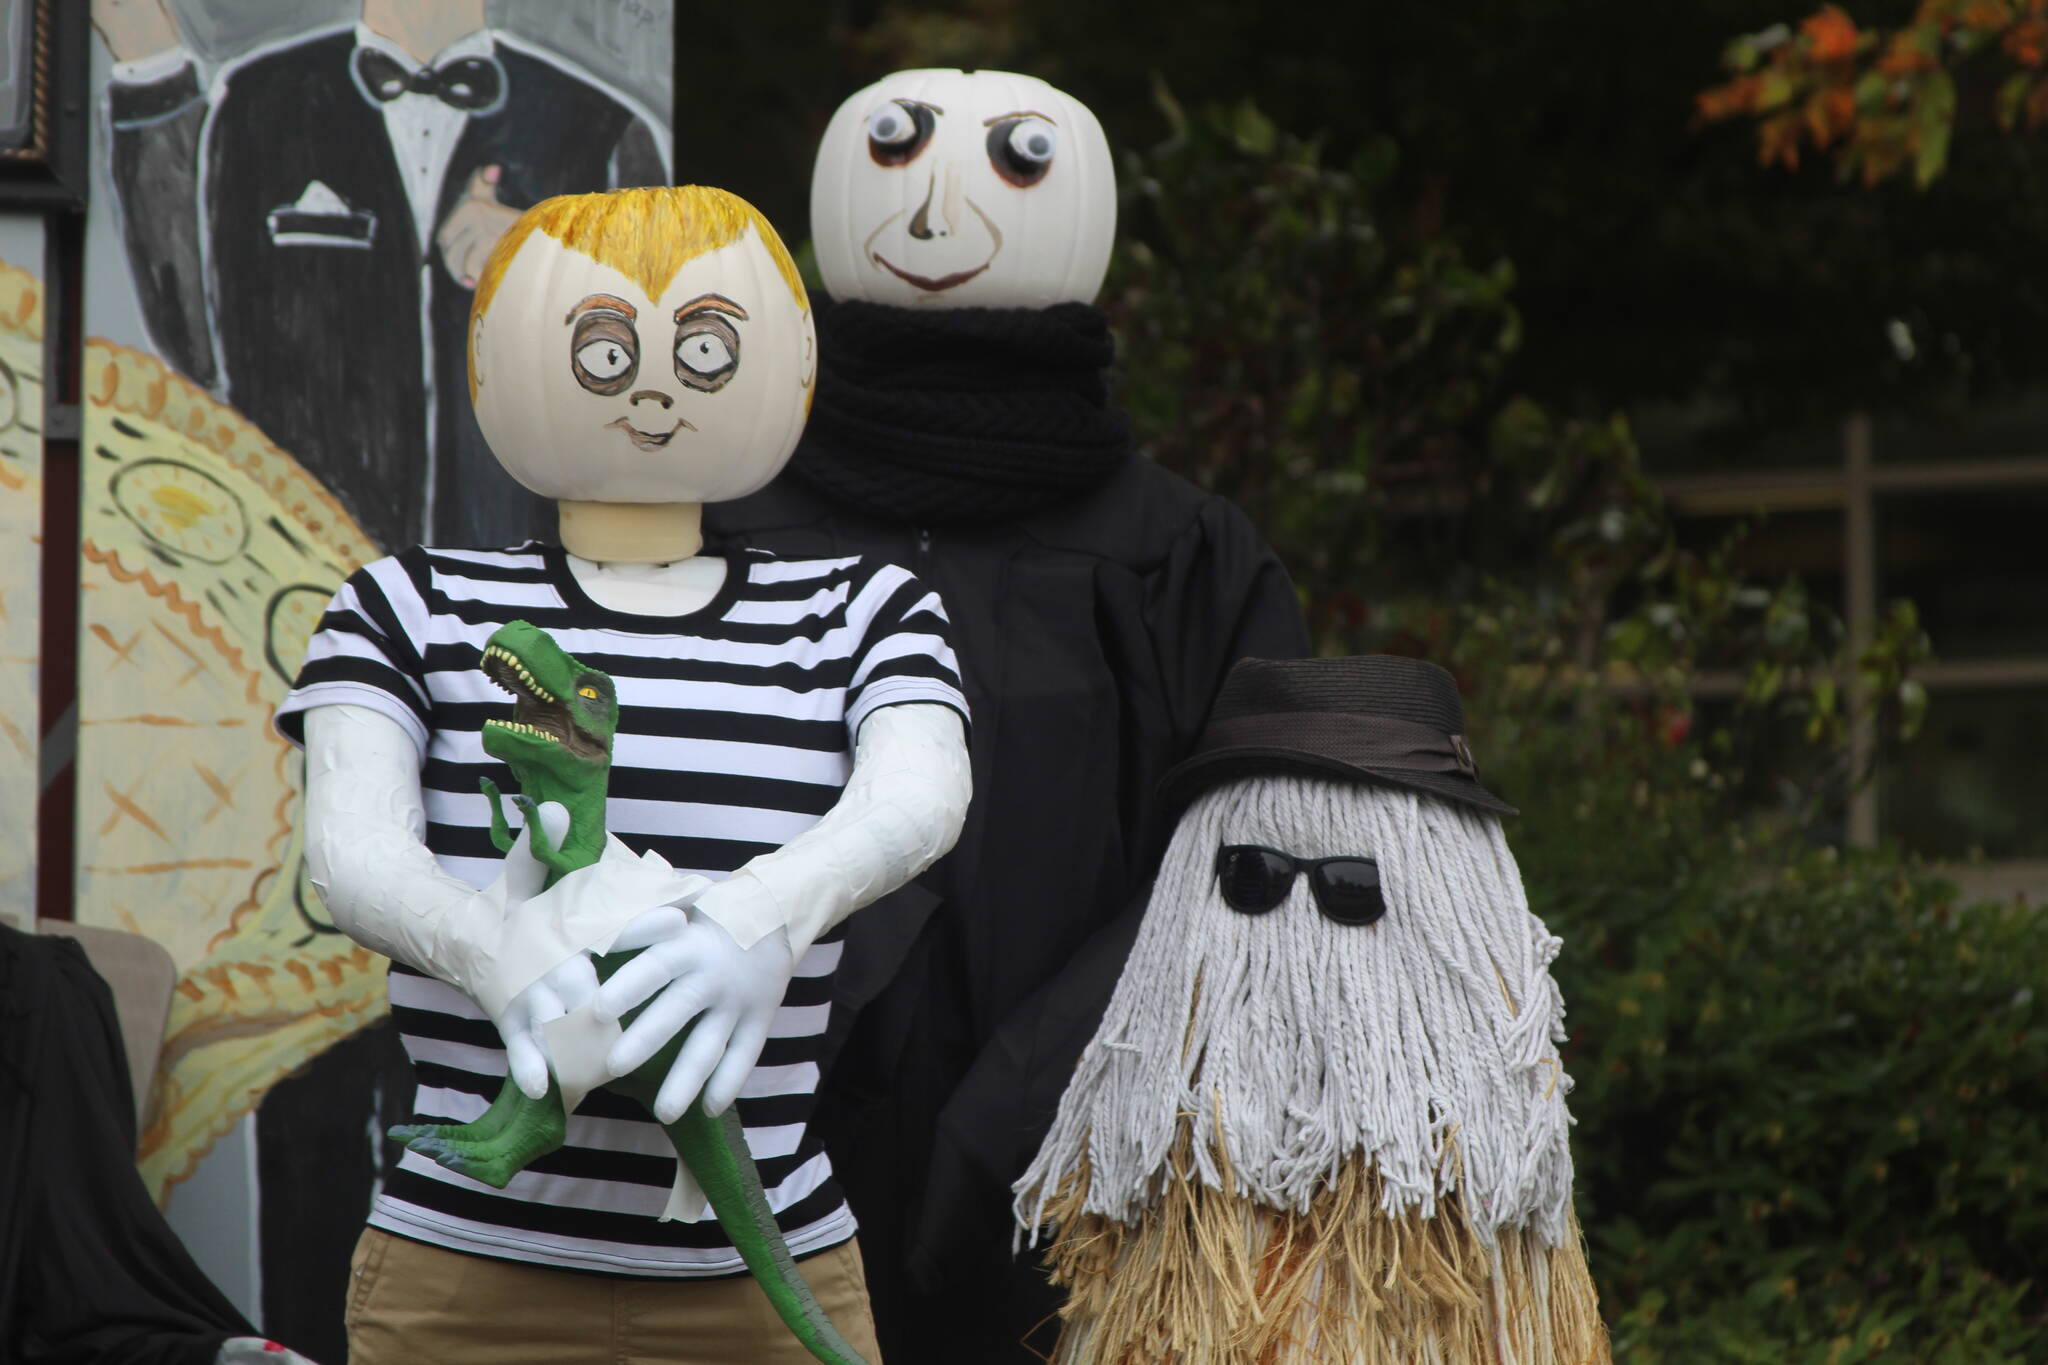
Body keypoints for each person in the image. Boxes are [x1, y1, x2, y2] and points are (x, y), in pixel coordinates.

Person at [276, 185, 971, 1362]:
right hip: (463, 1274)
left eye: (704, 349)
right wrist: (483, 945)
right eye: (601, 349)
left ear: (791, 365)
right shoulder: (407, 602)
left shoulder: (864, 609)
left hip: (766, 1272)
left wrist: (756, 920)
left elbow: (920, 797)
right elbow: (348, 855)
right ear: (497, 360)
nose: (653, 386)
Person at [706, 68, 1312, 1361]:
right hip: (739, 1169)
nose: (935, 207)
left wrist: (1024, 1100)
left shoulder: (1180, 559)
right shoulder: (714, 522)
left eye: (1010, 165)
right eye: (897, 154)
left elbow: (1248, 864)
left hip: (1082, 1191)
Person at [93, 0, 670, 551]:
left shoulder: (600, 128)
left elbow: (668, 374)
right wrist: (149, 62)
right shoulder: (260, 103)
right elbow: (194, 343)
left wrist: (549, 259)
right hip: (313, 567)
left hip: (516, 578)